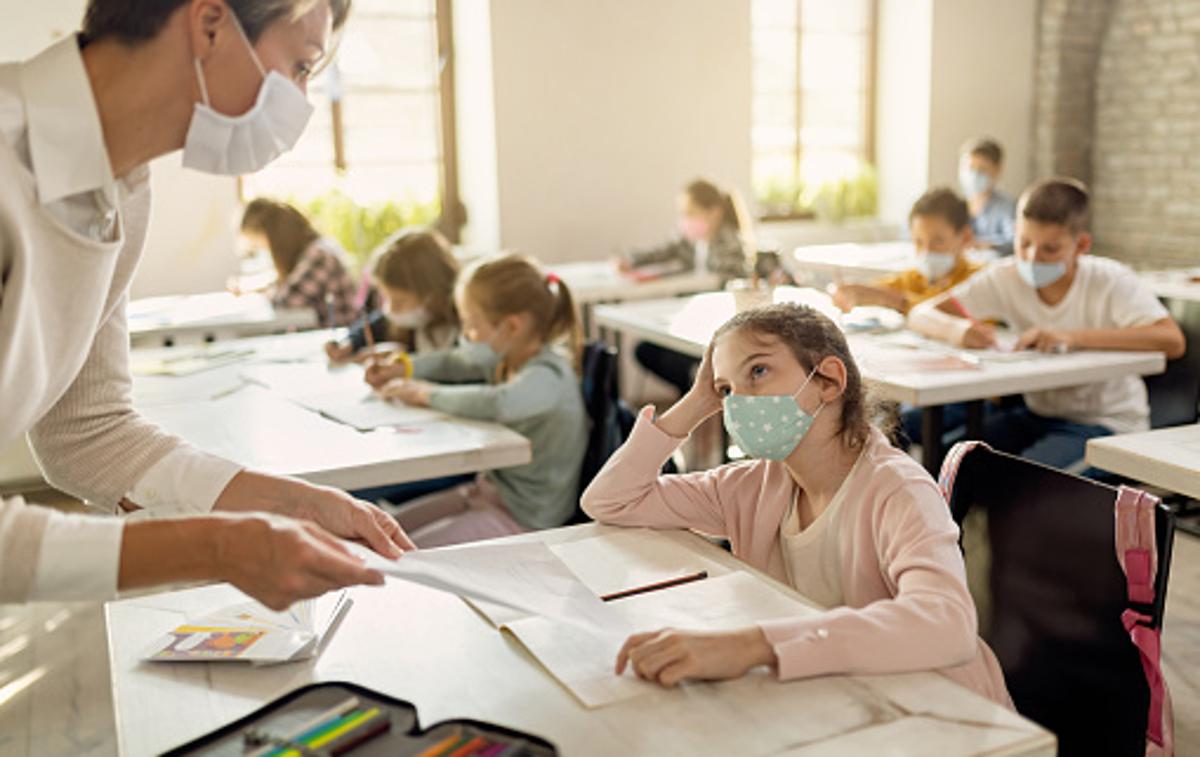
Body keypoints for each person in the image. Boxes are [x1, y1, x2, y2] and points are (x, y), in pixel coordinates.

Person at [0, 0, 413, 608]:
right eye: (300, 67)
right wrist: (213, 547)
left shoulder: (120, 188)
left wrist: (293, 504)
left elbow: (88, 431)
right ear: (211, 24)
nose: (302, 100)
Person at [580, 304, 1011, 706]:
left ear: (828, 381)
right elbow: (611, 500)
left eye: (759, 371)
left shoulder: (899, 489)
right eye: (727, 389)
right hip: (842, 695)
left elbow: (946, 625)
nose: (738, 402)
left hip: (942, 711)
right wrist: (697, 402)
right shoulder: (751, 485)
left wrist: (752, 645)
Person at [909, 178, 1186, 472]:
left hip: (1104, 424)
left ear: (1081, 245)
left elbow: (1171, 340)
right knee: (949, 465)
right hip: (1035, 415)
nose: (1032, 258)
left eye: (1050, 249)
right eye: (1024, 243)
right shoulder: (1005, 276)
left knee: (1026, 485)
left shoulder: (1110, 280)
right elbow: (921, 314)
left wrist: (1068, 336)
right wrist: (959, 330)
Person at [380, 254, 588, 547]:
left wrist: (426, 394)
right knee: (381, 530)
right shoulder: (507, 358)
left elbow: (498, 402)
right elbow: (455, 362)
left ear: (512, 327)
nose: (467, 336)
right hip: (487, 493)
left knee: (400, 553)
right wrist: (406, 367)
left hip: (524, 518)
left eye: (472, 325)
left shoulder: (549, 375)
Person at [619, 178, 753, 397]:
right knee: (646, 350)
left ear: (714, 213)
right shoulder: (693, 242)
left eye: (691, 213)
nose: (685, 220)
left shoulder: (731, 245)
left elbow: (725, 286)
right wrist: (631, 261)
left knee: (667, 356)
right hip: (692, 321)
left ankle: (700, 400)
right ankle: (694, 397)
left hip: (717, 330)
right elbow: (665, 250)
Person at [830, 188, 982, 314]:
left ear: (965, 237)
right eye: (918, 242)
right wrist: (852, 293)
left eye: (938, 241)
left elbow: (953, 310)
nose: (926, 251)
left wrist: (896, 301)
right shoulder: (915, 278)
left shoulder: (981, 279)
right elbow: (880, 289)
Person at [329, 229, 460, 370]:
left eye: (400, 301)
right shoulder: (408, 322)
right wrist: (348, 344)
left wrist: (406, 361)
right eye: (386, 298)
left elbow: (454, 368)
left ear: (432, 293)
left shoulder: (464, 328)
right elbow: (370, 327)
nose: (391, 309)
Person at [239, 197, 360, 327]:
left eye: (262, 245)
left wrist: (267, 291)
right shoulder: (311, 251)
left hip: (340, 338)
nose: (265, 250)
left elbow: (285, 302)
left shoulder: (319, 256)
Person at [958, 137, 1016, 255]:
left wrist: (986, 245)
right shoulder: (956, 204)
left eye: (981, 170)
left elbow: (1014, 241)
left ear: (997, 170)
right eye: (969, 168)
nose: (973, 175)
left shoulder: (1006, 206)